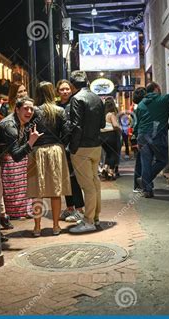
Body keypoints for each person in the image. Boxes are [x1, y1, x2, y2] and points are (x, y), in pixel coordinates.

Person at [28, 81, 71, 237]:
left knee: (36, 191)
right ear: (52, 93)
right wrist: (60, 144)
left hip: (36, 150)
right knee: (55, 191)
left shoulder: (32, 111)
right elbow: (67, 133)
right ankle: (55, 226)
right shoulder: (59, 111)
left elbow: (26, 131)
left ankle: (37, 227)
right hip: (55, 150)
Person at [66, 70, 105, 233]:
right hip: (96, 146)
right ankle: (95, 217)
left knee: (87, 186)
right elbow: (102, 124)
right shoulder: (97, 98)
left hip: (81, 147)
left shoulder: (76, 98)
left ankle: (88, 220)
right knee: (95, 183)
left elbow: (76, 125)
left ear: (73, 85)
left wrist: (72, 147)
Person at [135, 71, 169, 198]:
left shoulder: (140, 105)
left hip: (142, 135)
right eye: (159, 89)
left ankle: (147, 189)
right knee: (162, 160)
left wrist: (137, 140)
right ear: (156, 89)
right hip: (156, 134)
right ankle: (146, 180)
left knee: (145, 161)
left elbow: (138, 123)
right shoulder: (163, 100)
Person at [0, 96, 43, 221]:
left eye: (31, 109)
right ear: (17, 109)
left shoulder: (21, 123)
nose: (29, 112)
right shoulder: (10, 126)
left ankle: (0, 221)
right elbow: (16, 155)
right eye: (25, 108)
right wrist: (31, 142)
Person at [0, 83, 33, 219]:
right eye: (20, 92)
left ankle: (25, 209)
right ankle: (13, 211)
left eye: (24, 90)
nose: (23, 93)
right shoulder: (7, 108)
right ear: (14, 94)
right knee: (12, 181)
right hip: (10, 149)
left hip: (22, 147)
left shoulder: (28, 106)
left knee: (23, 182)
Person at [56, 79, 84, 223]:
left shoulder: (75, 103)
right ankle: (70, 208)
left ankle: (79, 209)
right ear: (58, 91)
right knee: (65, 179)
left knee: (74, 179)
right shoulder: (56, 106)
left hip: (73, 147)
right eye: (62, 89)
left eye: (67, 89)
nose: (65, 91)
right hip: (61, 147)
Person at [100, 97, 121, 181]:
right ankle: (111, 172)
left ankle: (105, 168)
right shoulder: (111, 114)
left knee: (108, 153)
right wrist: (120, 129)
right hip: (111, 135)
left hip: (102, 135)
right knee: (113, 153)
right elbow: (115, 125)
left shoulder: (102, 115)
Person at [131, 87, 147, 193]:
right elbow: (136, 125)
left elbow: (135, 125)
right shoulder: (142, 108)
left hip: (139, 136)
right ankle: (141, 184)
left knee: (141, 160)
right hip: (143, 136)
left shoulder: (137, 109)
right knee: (143, 160)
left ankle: (138, 185)